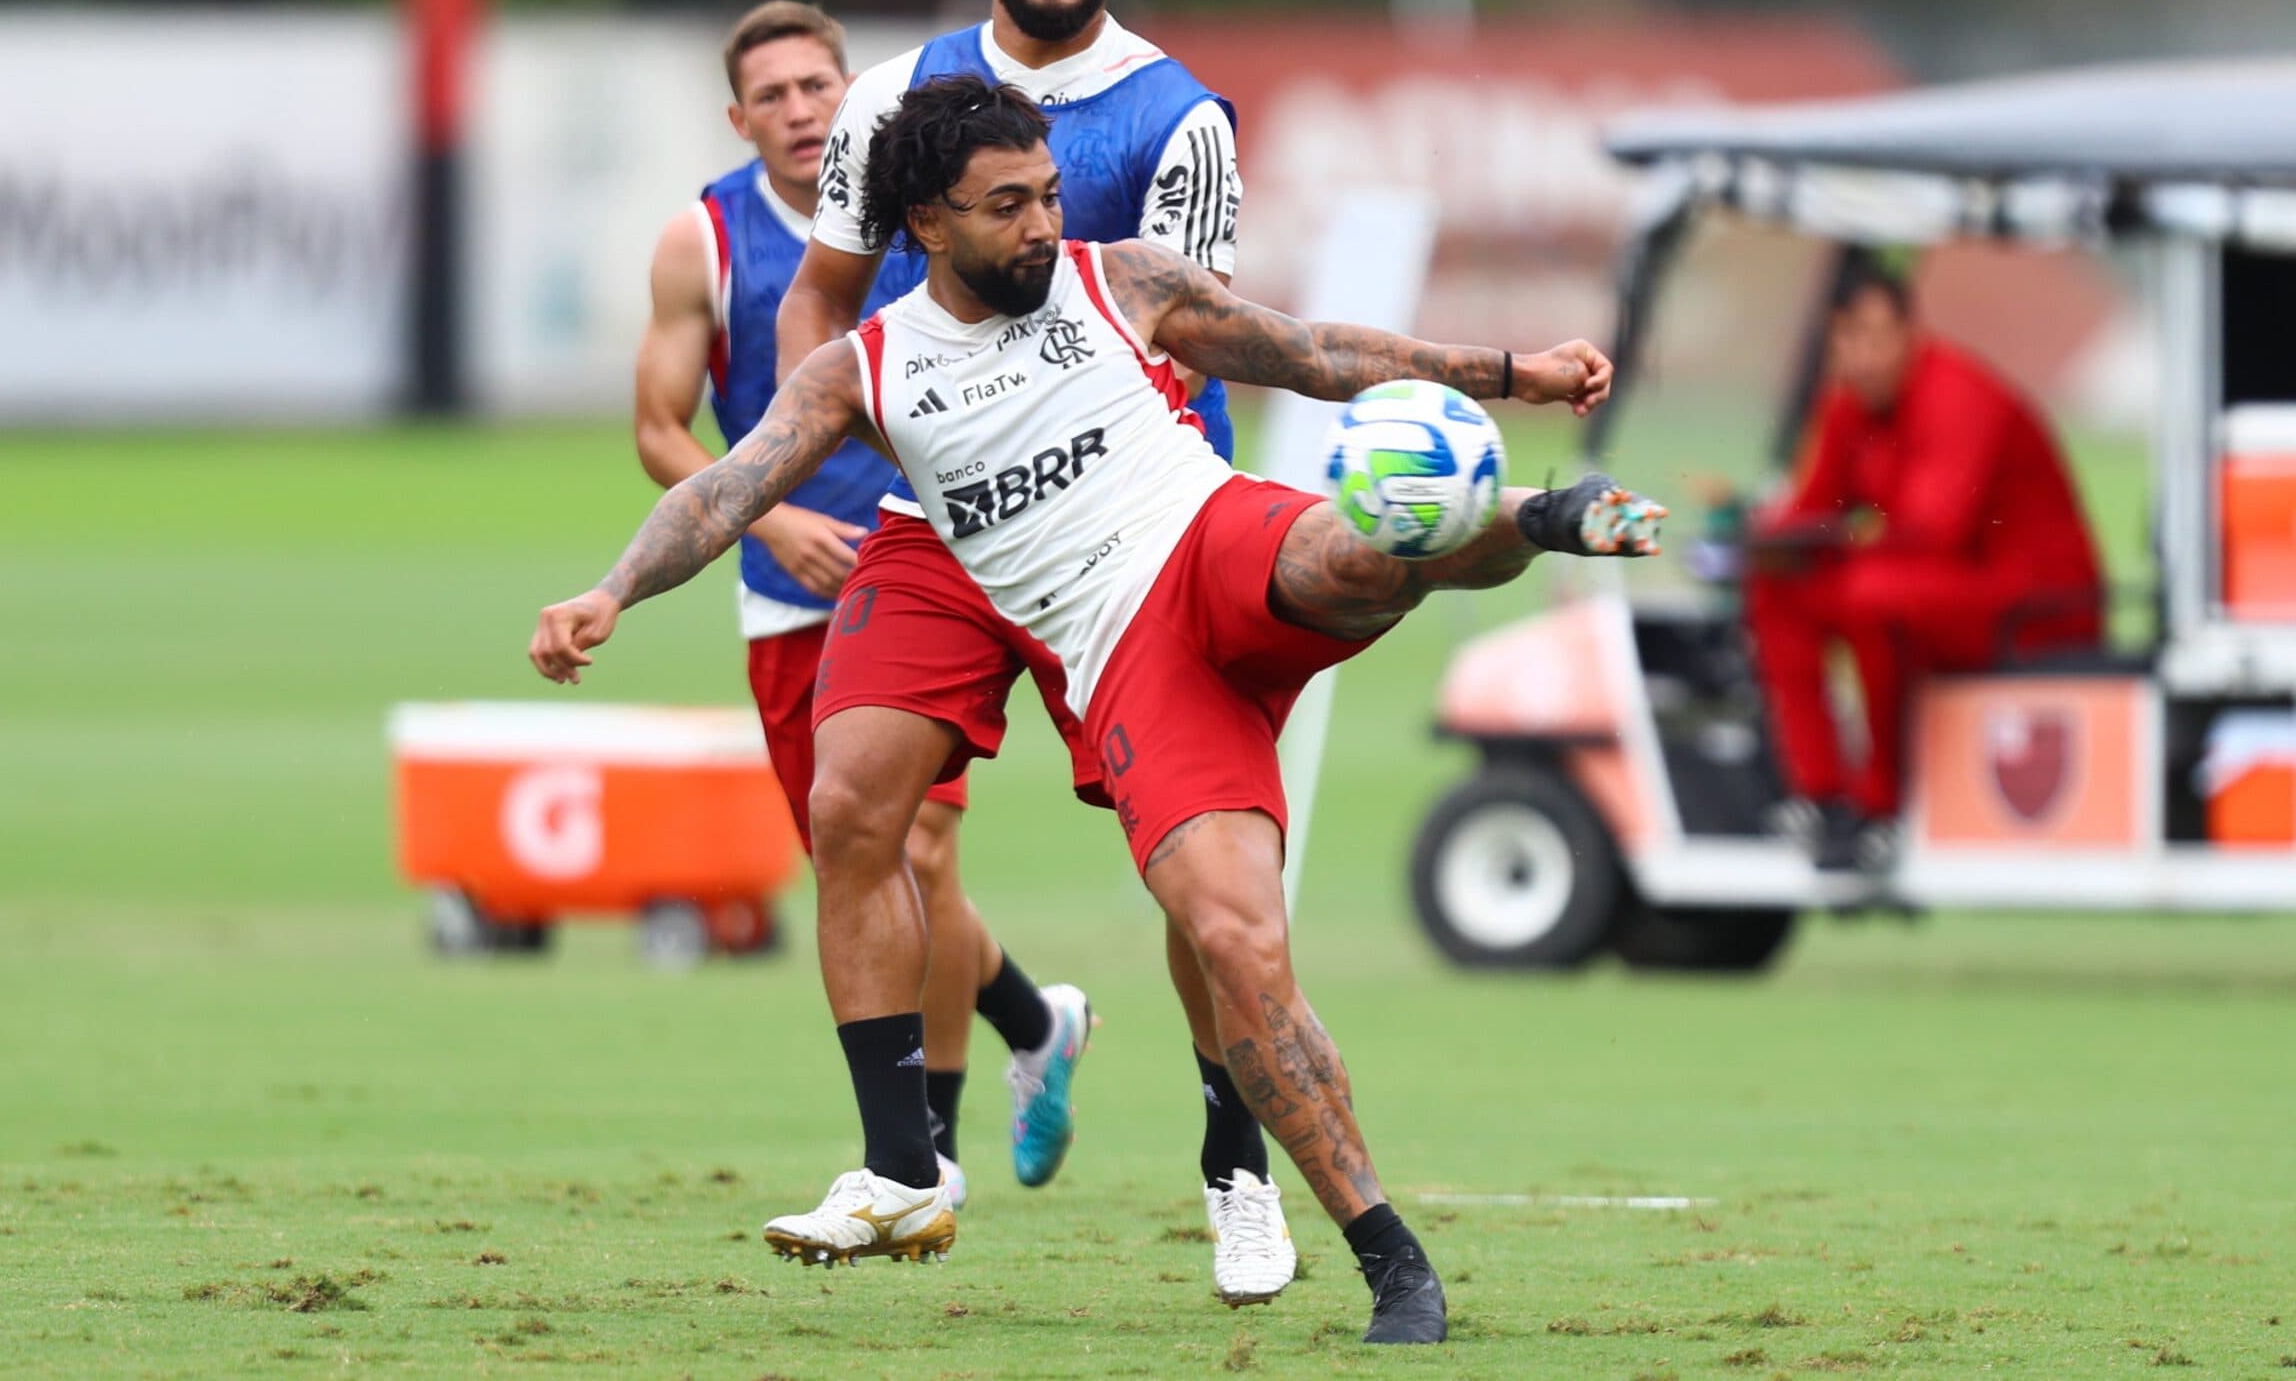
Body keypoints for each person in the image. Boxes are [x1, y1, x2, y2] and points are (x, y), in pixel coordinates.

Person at [527, 78, 1666, 1344]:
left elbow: (1316, 354)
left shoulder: (1120, 279)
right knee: (1235, 938)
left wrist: (1509, 372)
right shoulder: (867, 370)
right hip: (1124, 653)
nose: (1040, 225)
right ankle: (1393, 1262)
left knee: (1352, 551)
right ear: (927, 222)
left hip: (1208, 533)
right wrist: (609, 591)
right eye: (1005, 206)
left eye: (1048, 196)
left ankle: (1545, 515)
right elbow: (722, 492)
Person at [773, 0, 1296, 1302]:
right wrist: (848, 462)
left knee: (1202, 878)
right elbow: (820, 303)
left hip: (1132, 532)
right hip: (945, 524)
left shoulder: (1179, 118)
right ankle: (902, 1167)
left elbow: (1197, 339)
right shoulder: (893, 100)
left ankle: (1238, 1171)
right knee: (858, 811)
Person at [634, 0, 1088, 1201]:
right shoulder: (703, 241)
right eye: (770, 95)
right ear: (739, 118)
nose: (799, 110)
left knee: (920, 844)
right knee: (866, 864)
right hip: (787, 593)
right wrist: (774, 520)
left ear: (851, 93)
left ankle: (927, 1150)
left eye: (815, 86)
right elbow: (659, 430)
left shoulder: (929, 213)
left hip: (932, 572)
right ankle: (1034, 1021)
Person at [1745, 253, 2103, 869]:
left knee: (1873, 595)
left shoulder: (1958, 396)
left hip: (2038, 603)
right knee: (1776, 587)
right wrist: (1759, 541)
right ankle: (1822, 795)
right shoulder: (1849, 405)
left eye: (1876, 337)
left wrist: (1825, 538)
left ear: (1911, 332)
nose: (1863, 358)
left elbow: (1933, 530)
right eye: (1847, 340)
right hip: (1941, 589)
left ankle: (1882, 804)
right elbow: (1813, 511)